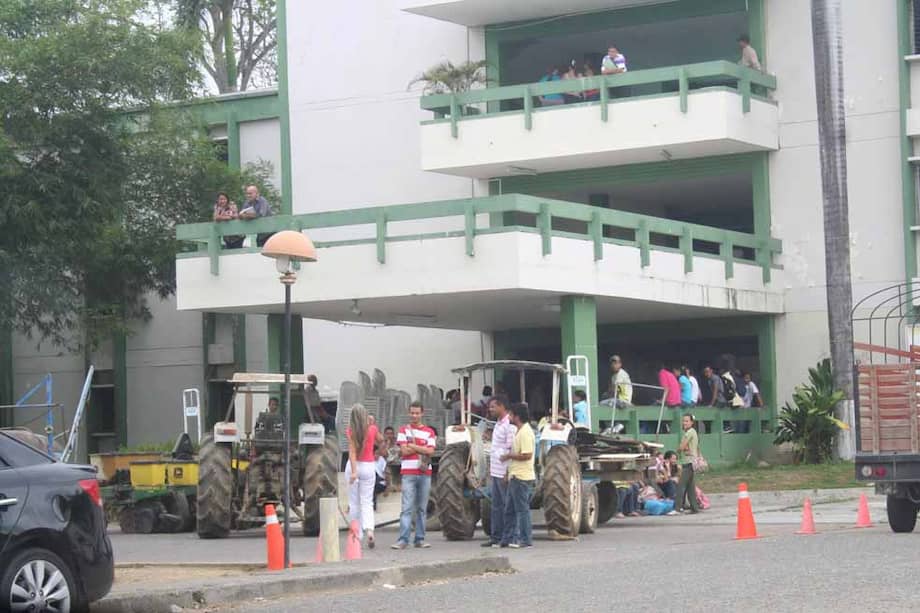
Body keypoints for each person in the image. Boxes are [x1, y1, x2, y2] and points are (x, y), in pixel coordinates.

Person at [392, 401, 436, 549]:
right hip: (408, 473)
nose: (414, 415)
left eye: (417, 413)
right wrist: (421, 448)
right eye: (412, 413)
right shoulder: (403, 430)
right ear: (409, 413)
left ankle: (419, 539)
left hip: (424, 473)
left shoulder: (430, 431)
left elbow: (431, 452)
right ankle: (403, 539)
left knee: (422, 508)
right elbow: (403, 451)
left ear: (422, 414)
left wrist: (412, 446)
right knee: (407, 507)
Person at [346, 404, 383, 548]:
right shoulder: (372, 429)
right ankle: (369, 532)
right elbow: (381, 441)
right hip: (369, 466)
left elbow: (352, 453)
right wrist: (373, 424)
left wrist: (354, 472)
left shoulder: (351, 431)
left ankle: (356, 535)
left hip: (354, 466)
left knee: (354, 503)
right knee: (367, 502)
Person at [482, 394, 515, 548]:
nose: (490, 409)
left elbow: (510, 449)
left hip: (503, 472)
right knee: (496, 505)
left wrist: (507, 472)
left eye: (493, 406)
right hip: (495, 471)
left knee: (506, 505)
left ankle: (508, 537)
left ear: (502, 406)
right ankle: (496, 537)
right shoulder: (498, 424)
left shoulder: (509, 425)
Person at [500, 403, 535, 548]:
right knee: (510, 510)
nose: (509, 417)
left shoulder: (526, 432)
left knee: (522, 510)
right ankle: (508, 539)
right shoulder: (519, 431)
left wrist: (509, 456)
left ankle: (525, 540)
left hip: (522, 477)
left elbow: (527, 454)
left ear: (517, 416)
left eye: (511, 414)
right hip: (515, 475)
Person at [669, 415, 701, 515]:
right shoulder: (693, 432)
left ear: (692, 422)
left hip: (688, 462)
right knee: (690, 487)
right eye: (683, 421)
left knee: (681, 485)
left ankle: (677, 508)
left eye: (687, 421)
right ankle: (694, 507)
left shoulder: (689, 432)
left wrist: (679, 449)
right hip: (691, 461)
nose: (684, 423)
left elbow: (682, 446)